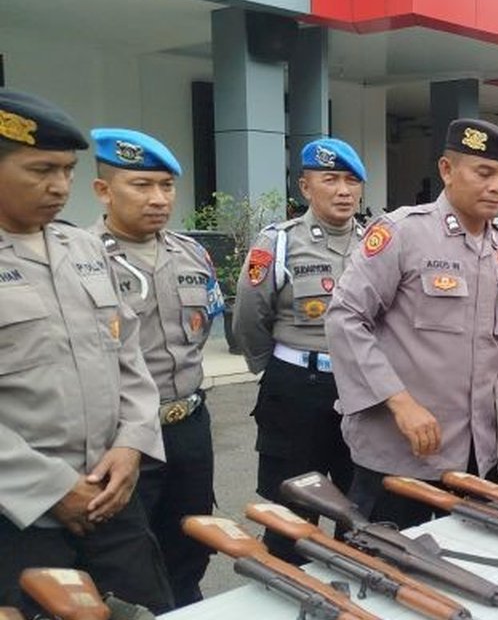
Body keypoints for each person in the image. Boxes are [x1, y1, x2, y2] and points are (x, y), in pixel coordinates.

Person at [325, 119, 498, 528]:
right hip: (400, 456)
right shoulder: (402, 233)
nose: (497, 186)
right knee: (383, 576)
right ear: (446, 170)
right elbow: (346, 318)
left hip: (475, 456)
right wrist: (399, 402)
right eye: (484, 173)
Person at [0, 90, 171, 613]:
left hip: (113, 498)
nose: (59, 187)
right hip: (20, 517)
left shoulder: (86, 249)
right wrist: (52, 488)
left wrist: (132, 446)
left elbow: (129, 359)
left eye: (68, 170)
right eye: (41, 170)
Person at [88, 128, 223, 607]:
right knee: (125, 560)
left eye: (166, 186)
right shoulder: (80, 261)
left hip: (188, 425)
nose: (158, 198)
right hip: (122, 437)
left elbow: (208, 327)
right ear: (104, 190)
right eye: (142, 185)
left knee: (191, 543)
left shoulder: (192, 254)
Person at [232, 137, 366, 561]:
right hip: (296, 389)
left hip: (358, 390)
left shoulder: (374, 243)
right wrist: (272, 367)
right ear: (306, 188)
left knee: (357, 506)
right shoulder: (280, 242)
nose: (343, 190)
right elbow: (249, 317)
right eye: (330, 179)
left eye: (351, 180)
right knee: (291, 512)